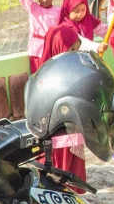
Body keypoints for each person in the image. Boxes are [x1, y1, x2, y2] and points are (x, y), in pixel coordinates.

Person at [38, 25, 88, 190]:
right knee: (58, 167)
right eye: (70, 48)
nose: (74, 53)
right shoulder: (45, 75)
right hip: (56, 132)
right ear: (57, 48)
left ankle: (71, 192)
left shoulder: (77, 68)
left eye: (77, 48)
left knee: (72, 162)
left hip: (74, 126)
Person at [21, 0, 62, 73]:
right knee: (38, 75)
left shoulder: (58, 11)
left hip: (53, 49)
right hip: (37, 50)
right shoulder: (33, 8)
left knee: (52, 73)